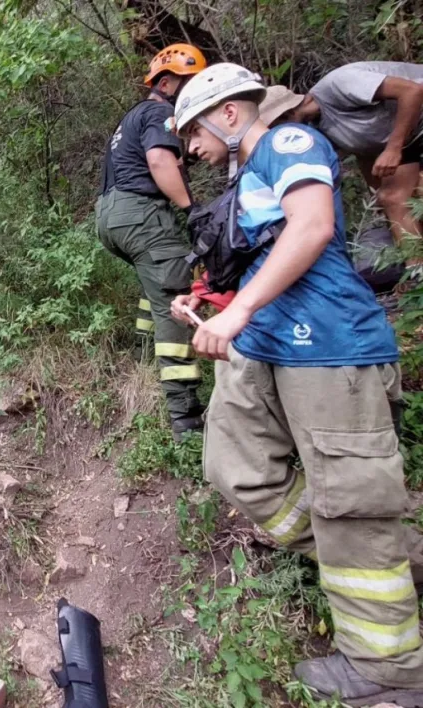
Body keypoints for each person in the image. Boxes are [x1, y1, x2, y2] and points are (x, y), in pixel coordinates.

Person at [171, 62, 423, 705]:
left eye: (193, 131)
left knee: (351, 501)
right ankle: (390, 548)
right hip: (266, 349)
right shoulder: (245, 175)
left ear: (230, 113)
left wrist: (240, 311)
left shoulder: (290, 143)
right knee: (236, 465)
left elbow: (312, 228)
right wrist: (210, 300)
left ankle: (388, 669)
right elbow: (265, 255)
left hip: (330, 350)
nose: (189, 148)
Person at [95, 43, 207, 441]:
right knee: (174, 298)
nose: (195, 90)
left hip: (110, 218)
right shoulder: (161, 112)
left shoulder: (132, 117)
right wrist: (192, 208)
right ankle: (186, 417)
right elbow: (159, 162)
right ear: (165, 82)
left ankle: (144, 355)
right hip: (140, 214)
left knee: (154, 284)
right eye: (188, 82)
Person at [278, 62, 423, 250]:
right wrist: (376, 190)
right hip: (408, 137)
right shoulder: (313, 129)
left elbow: (412, 91)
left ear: (285, 114)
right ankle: (416, 271)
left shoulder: (340, 84)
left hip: (412, 121)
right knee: (392, 198)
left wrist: (393, 149)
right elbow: (363, 148)